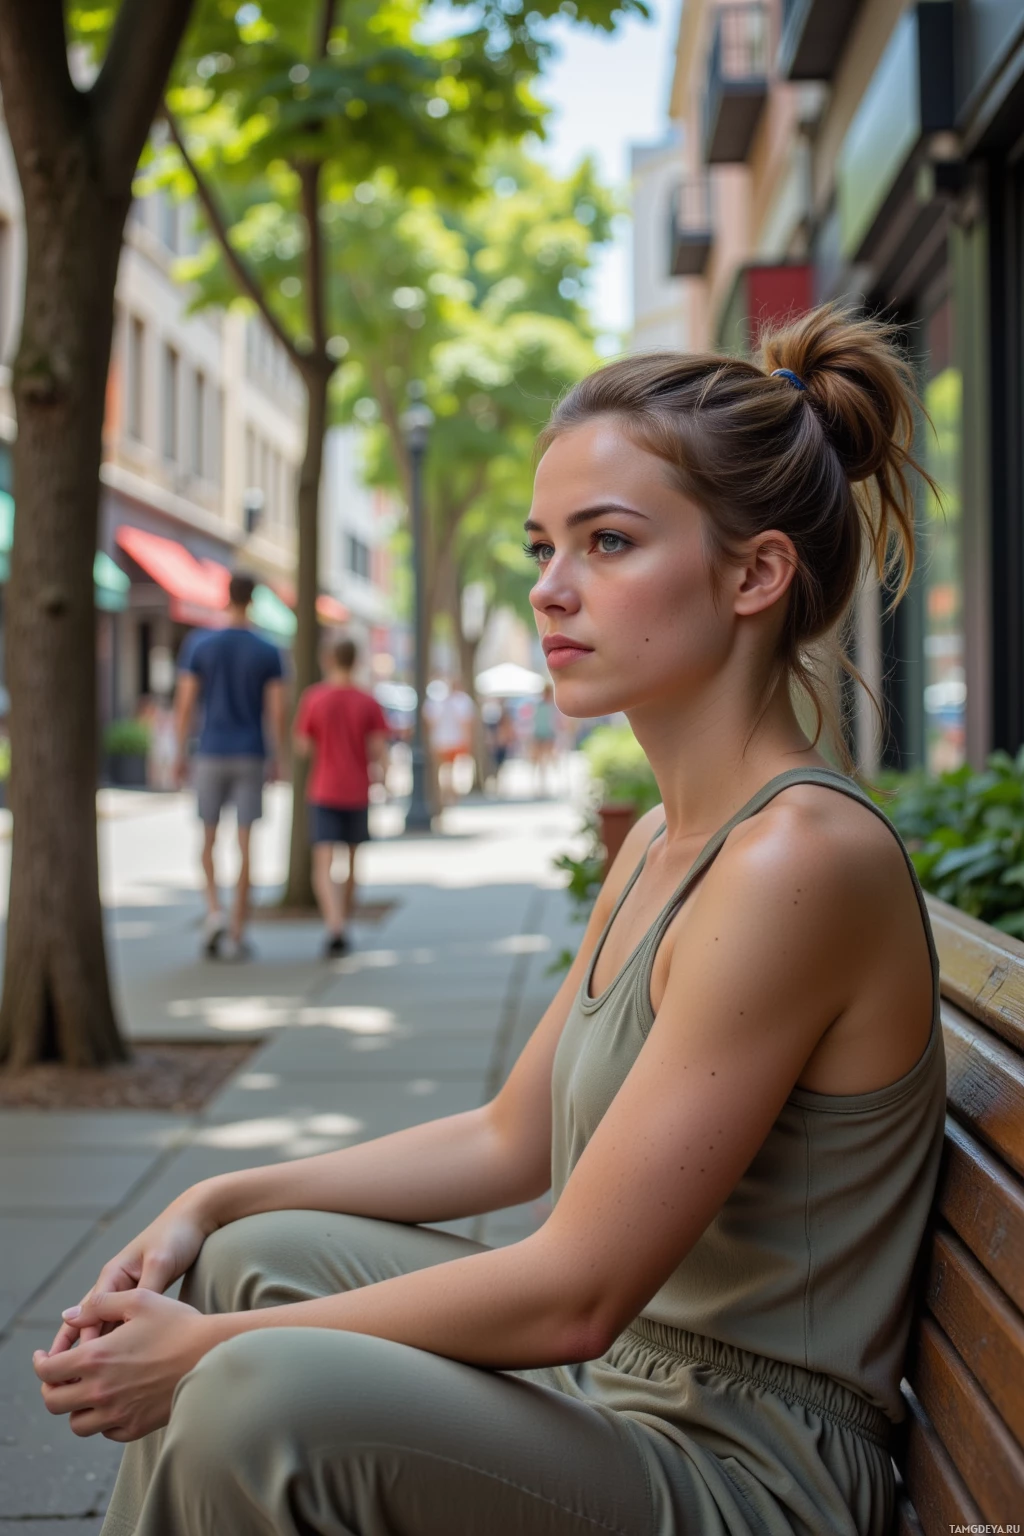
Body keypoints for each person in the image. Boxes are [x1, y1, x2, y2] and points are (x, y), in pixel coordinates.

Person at [37, 306, 944, 1536]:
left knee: (248, 1386)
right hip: (629, 1385)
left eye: (607, 543)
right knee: (248, 1257)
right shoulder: (668, 846)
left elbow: (574, 1291)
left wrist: (200, 1349)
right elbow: (511, 1138)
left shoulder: (798, 859)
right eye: (542, 547)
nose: (550, 591)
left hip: (748, 1468)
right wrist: (215, 1196)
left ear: (755, 574)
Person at [173, 573, 285, 961]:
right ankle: (238, 931)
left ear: (225, 597)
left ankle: (214, 912)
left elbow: (185, 704)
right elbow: (276, 710)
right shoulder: (268, 650)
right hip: (251, 753)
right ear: (253, 600)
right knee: (245, 845)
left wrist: (178, 753)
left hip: (210, 752)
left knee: (206, 840)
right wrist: (278, 757)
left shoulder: (201, 644)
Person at [293, 635, 390, 958]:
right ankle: (344, 921)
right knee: (352, 861)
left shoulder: (314, 698)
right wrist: (385, 781)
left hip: (323, 788)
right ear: (356, 661)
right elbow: (379, 749)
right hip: (357, 789)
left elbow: (302, 746)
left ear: (330, 660)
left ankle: (333, 925)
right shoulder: (367, 701)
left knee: (323, 862)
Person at [529, 683, 559, 796]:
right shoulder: (541, 705)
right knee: (540, 761)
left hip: (546, 734)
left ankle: (544, 785)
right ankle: (540, 785)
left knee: (546, 760)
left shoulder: (550, 705)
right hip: (540, 734)